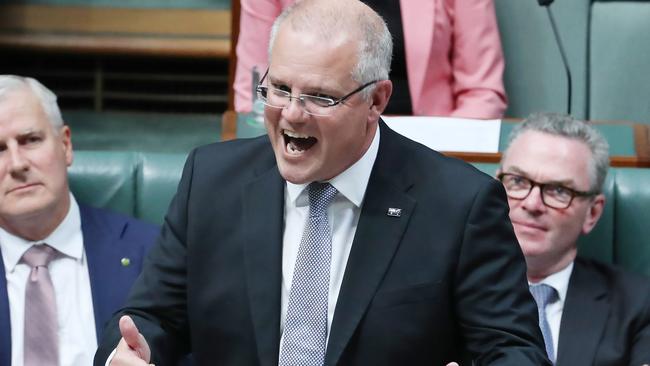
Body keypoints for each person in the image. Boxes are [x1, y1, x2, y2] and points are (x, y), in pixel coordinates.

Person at [95, 1, 549, 365]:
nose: (292, 113)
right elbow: (153, 319)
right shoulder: (211, 181)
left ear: (377, 100)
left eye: (320, 97)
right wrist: (135, 354)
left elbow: (514, 351)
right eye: (280, 89)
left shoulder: (459, 204)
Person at [0, 75, 160, 366]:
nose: (17, 164)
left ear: (66, 145)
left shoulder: (154, 253)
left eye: (31, 140)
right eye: (0, 149)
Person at [498, 112, 650, 366]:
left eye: (559, 190)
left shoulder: (639, 305)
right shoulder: (437, 289)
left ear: (592, 212)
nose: (532, 204)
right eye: (518, 181)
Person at [234, 0, 507, 118]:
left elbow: (482, 93)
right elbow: (254, 92)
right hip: (313, 142)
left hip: (428, 152)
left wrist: (437, 160)